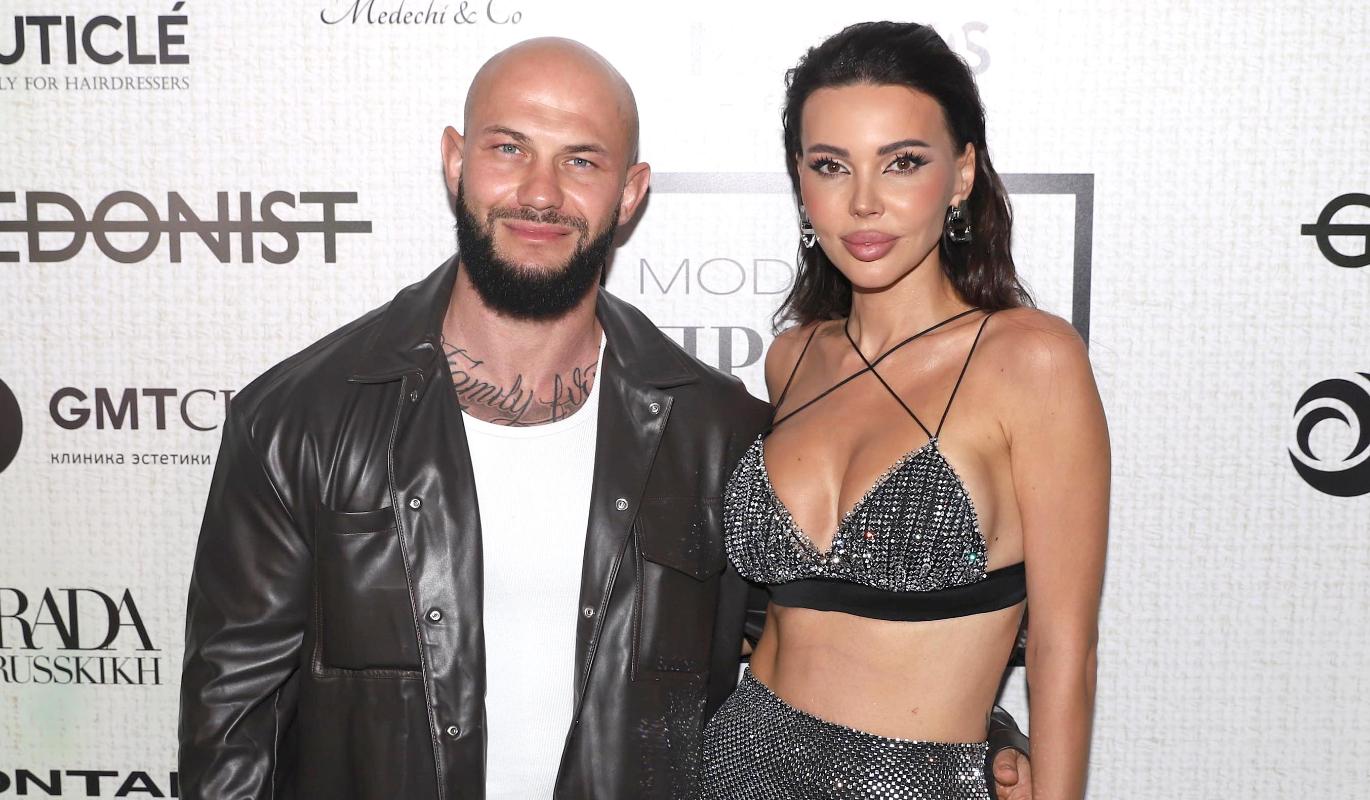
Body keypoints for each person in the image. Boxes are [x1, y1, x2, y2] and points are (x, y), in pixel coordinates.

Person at [178, 34, 1032, 800]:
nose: (540, 192)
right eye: (508, 148)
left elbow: (826, 634)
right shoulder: (299, 419)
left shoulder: (712, 431)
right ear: (455, 161)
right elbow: (230, 724)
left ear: (630, 193)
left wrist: (966, 738)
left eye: (582, 161)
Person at [702, 21, 1108, 800]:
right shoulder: (793, 358)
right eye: (831, 166)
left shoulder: (1031, 359)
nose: (863, 202)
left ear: (962, 175)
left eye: (903, 163)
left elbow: (1065, 653)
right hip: (736, 765)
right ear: (801, 182)